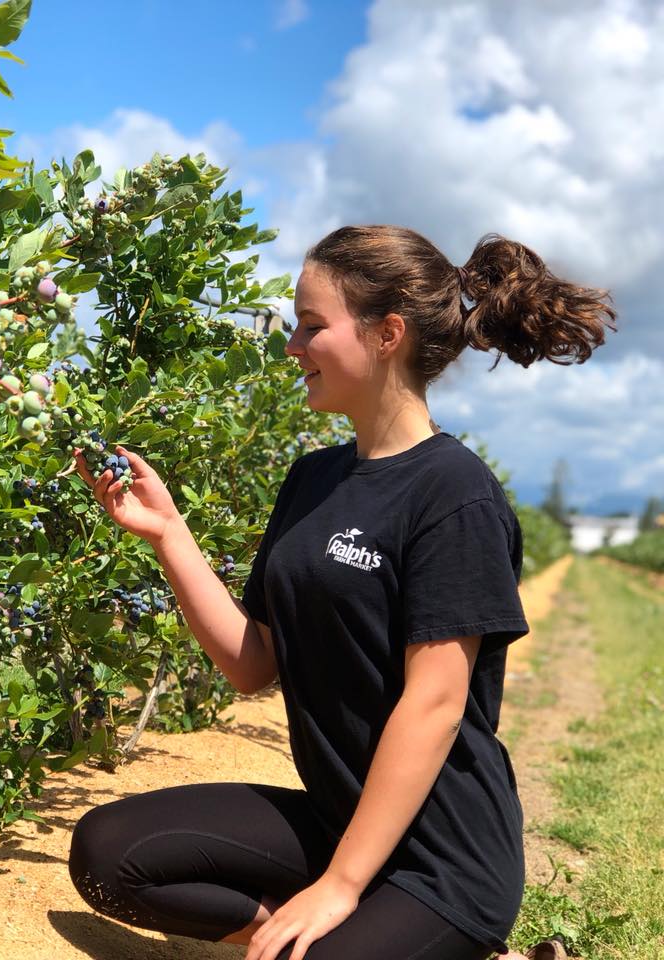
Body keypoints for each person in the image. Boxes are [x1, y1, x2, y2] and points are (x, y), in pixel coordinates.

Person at [67, 225, 617, 960]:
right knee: (108, 855)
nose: (291, 346)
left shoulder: (455, 494)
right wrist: (169, 534)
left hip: (443, 857)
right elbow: (252, 665)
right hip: (338, 820)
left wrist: (341, 886)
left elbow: (436, 703)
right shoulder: (313, 480)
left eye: (311, 325)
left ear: (387, 334)